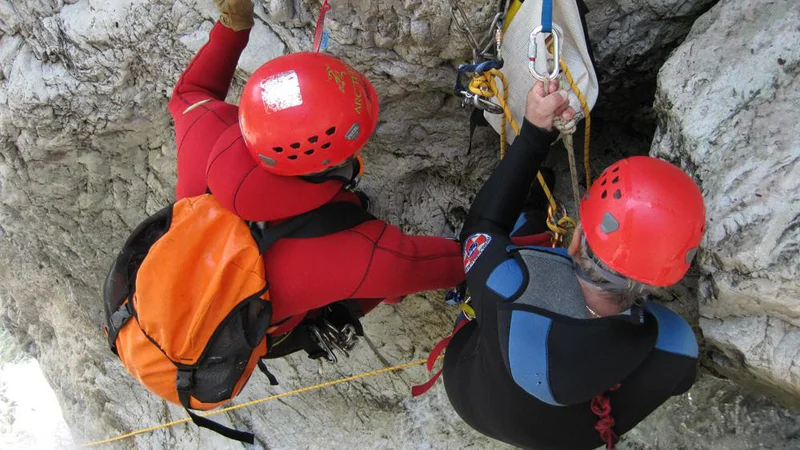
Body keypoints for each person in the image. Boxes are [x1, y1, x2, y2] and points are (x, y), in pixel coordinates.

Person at [439, 81, 705, 450]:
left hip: (470, 393)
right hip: (569, 438)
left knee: (523, 231)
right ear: (665, 279)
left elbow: (482, 228)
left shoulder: (509, 282)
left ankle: (535, 195)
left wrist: (533, 131)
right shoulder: (676, 344)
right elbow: (681, 382)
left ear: (577, 239)